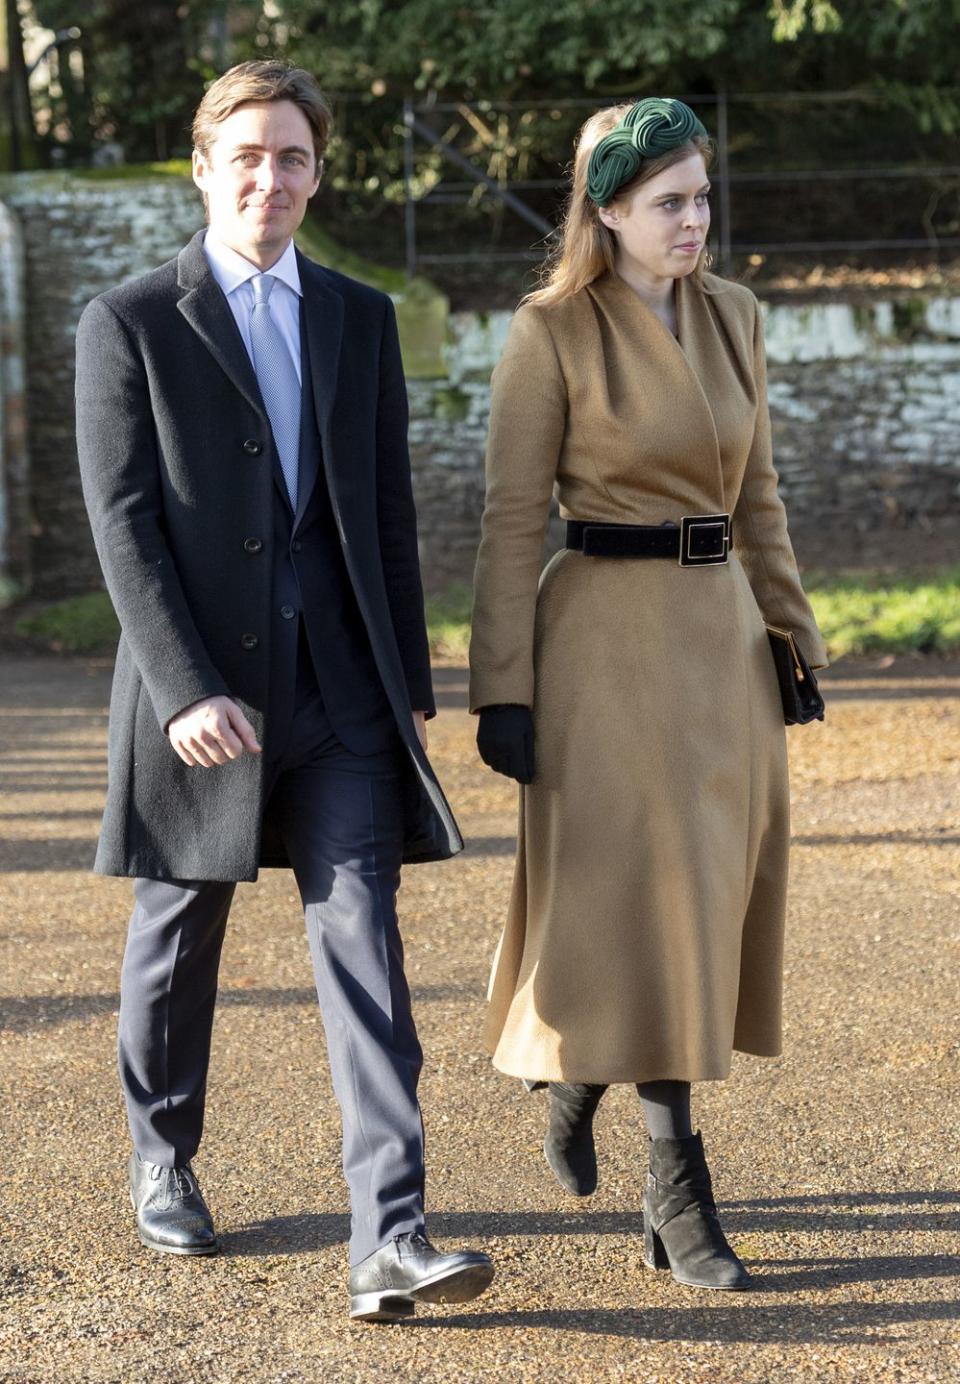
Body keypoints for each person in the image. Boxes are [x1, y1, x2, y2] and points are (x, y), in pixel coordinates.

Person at [75, 59, 493, 1324]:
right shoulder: (132, 318)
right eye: (247, 155)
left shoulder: (360, 316)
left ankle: (393, 1233)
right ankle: (162, 1149)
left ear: (320, 170)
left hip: (344, 692)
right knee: (175, 941)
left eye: (294, 156)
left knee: (364, 940)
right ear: (204, 166)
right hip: (200, 695)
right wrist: (185, 687)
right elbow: (123, 523)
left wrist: (410, 685)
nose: (271, 177)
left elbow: (384, 509)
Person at [469, 97, 828, 1291]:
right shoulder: (550, 332)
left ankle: (579, 1075)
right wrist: (500, 688)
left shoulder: (736, 316)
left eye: (704, 196)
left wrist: (791, 634)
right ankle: (680, 1194)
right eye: (670, 199)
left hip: (719, 641)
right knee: (644, 890)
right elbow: (512, 523)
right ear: (610, 209)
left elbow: (758, 493)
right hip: (598, 648)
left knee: (706, 894)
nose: (696, 218)